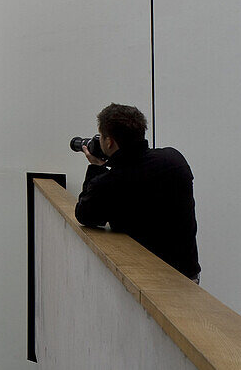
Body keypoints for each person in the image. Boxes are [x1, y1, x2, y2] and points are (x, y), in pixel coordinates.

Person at [75, 102, 201, 281]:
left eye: (101, 137)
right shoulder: (173, 159)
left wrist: (96, 168)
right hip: (186, 276)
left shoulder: (110, 183)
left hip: (145, 281)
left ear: (109, 142)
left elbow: (85, 215)